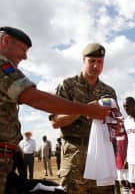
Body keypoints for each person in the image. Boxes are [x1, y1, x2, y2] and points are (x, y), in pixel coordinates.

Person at [0, 26, 110, 194]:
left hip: (101, 159)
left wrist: (15, 147)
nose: (25, 56)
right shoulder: (2, 66)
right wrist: (86, 109)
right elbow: (34, 98)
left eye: (100, 61)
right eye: (22, 49)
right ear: (6, 41)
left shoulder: (108, 91)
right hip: (74, 158)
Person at [50, 42, 119, 194]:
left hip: (102, 156)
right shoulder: (68, 85)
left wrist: (117, 126)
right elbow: (55, 122)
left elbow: (116, 124)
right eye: (92, 61)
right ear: (83, 60)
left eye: (99, 61)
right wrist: (83, 110)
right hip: (75, 154)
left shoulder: (109, 91)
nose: (96, 65)